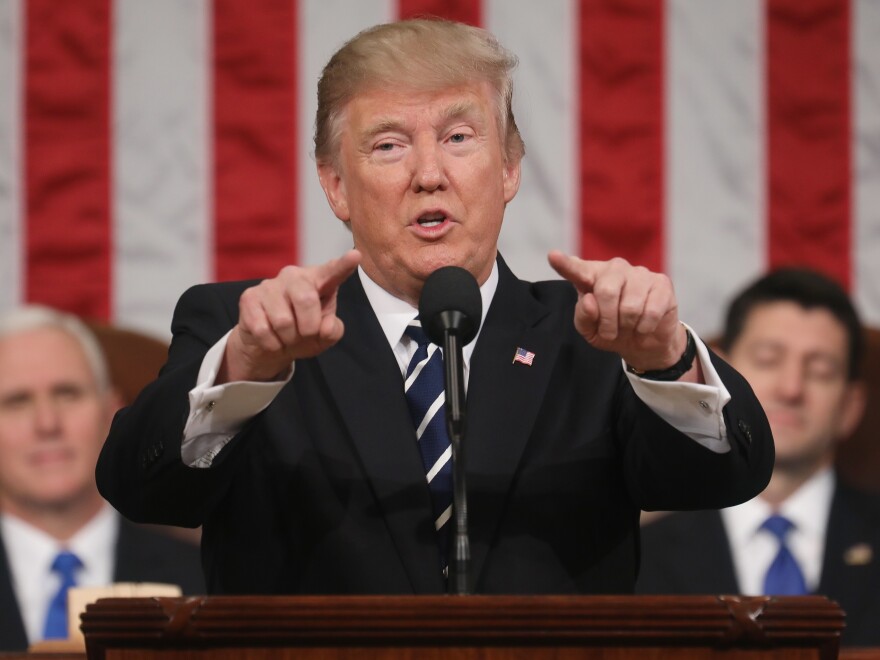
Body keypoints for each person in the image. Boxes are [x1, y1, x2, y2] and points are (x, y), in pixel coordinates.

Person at [96, 18, 772, 596]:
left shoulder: (590, 336)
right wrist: (248, 366)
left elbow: (724, 478)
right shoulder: (245, 335)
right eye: (389, 145)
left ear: (508, 168)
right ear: (336, 185)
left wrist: (664, 360)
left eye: (459, 137)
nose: (429, 173)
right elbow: (141, 489)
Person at [637, 268, 880, 646]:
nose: (791, 388)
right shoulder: (638, 557)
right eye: (768, 360)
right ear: (714, 378)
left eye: (820, 370)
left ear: (851, 406)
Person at [0, 306, 205, 652]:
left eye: (68, 394)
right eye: (17, 402)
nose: (47, 423)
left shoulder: (206, 581)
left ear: (112, 412)